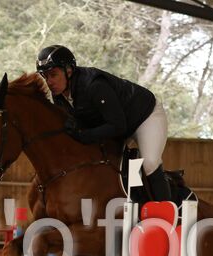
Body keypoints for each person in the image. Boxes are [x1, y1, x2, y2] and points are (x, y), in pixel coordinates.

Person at [36, 45, 170, 203]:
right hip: (118, 125)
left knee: (150, 162)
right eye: (45, 76)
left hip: (145, 116)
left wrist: (85, 135)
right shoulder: (59, 96)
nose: (49, 82)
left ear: (69, 70)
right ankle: (135, 204)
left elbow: (118, 126)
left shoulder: (94, 85)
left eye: (53, 74)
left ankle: (167, 209)